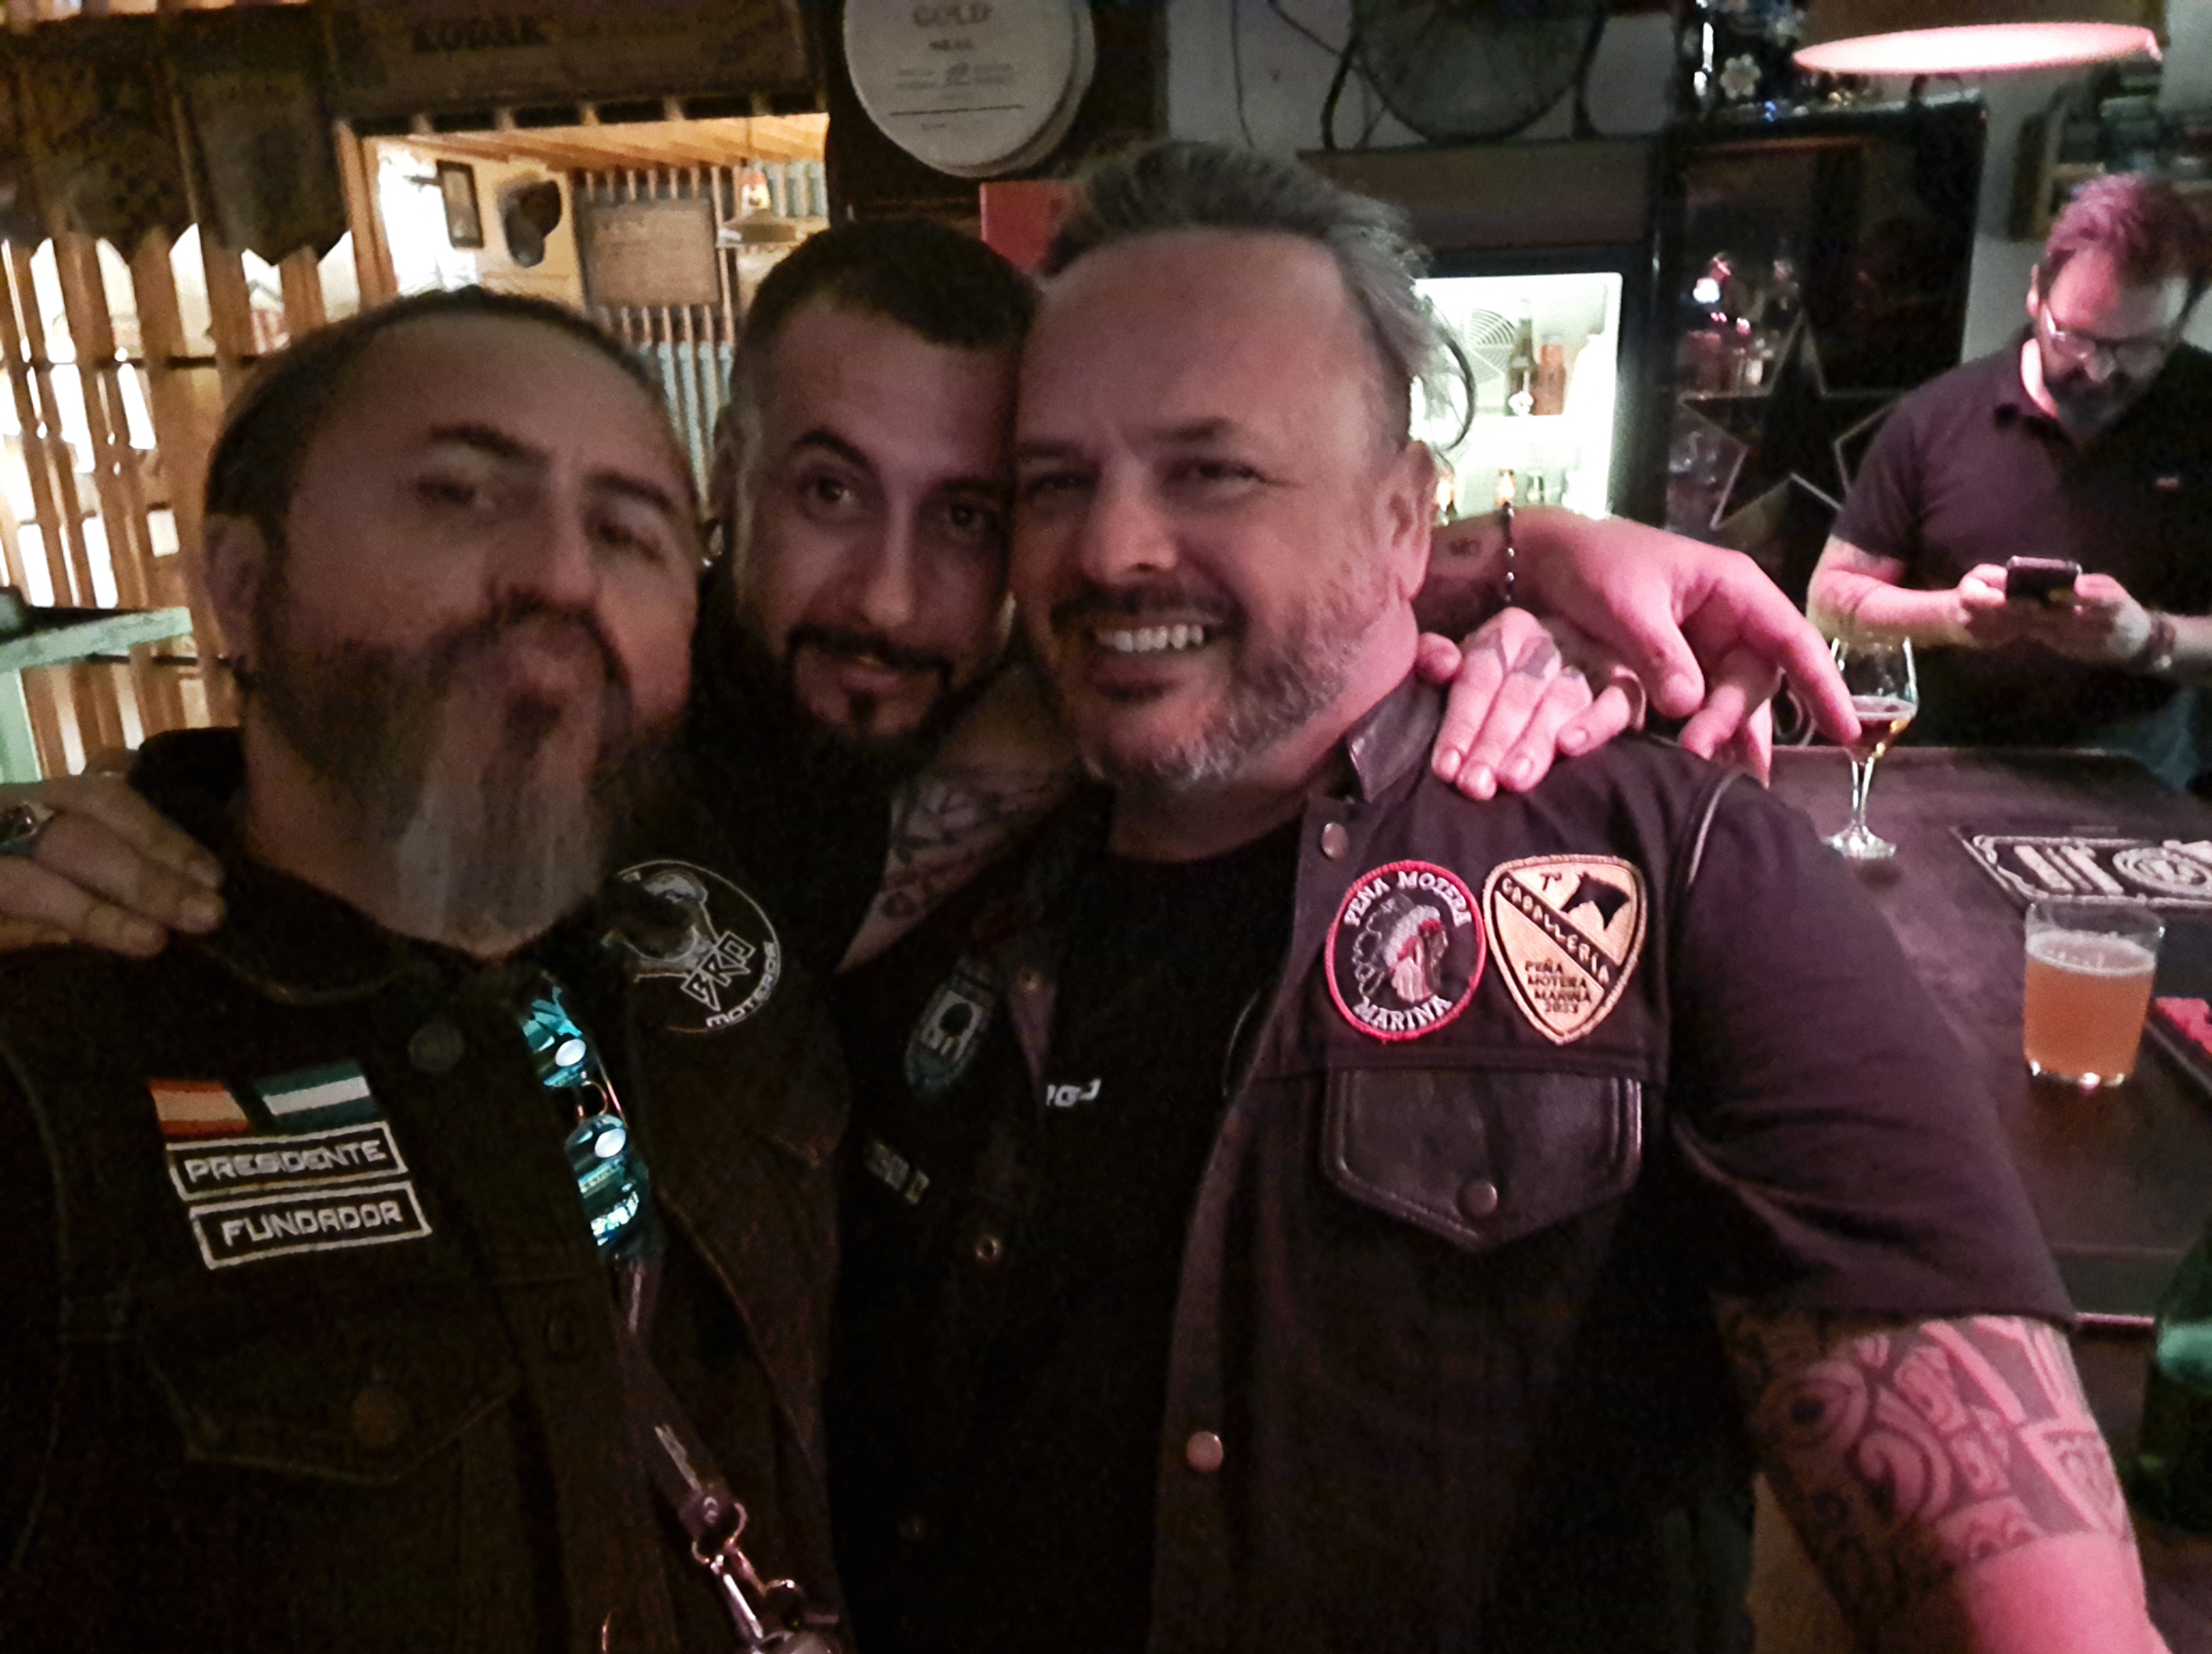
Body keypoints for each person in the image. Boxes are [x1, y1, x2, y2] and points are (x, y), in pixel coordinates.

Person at [827, 141, 2167, 1654]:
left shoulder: (1683, 868)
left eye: (1212, 470)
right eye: (1054, 482)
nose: (1111, 546)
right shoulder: (943, 877)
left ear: (1406, 516)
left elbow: (2034, 1614)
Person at [0, 222, 1857, 967]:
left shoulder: (1074, 725)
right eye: (826, 493)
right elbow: (344, 750)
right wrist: (70, 837)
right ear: (726, 482)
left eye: (972, 515)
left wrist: (1517, 561)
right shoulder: (591, 716)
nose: (889, 597)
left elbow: (1268, 598)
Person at [0, 290, 851, 1654]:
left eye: (630, 531)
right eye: (458, 494)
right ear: (241, 583)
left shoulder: (728, 925)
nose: (561, 574)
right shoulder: (55, 1079)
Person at [1806, 175, 2212, 785]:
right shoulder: (1935, 418)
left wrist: (2150, 639)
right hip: (1945, 765)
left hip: (2137, 775)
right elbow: (1829, 604)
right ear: (2036, 294)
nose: (2099, 372)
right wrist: (1951, 616)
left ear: (2181, 324)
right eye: (2076, 338)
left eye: (2140, 349)